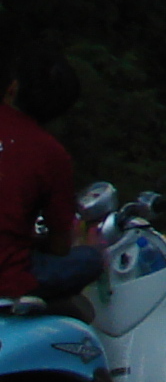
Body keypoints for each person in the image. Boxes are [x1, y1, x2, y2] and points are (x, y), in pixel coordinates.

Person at [0, 44, 92, 304]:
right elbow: (61, 245)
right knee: (91, 258)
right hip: (10, 279)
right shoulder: (50, 153)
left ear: (12, 88)